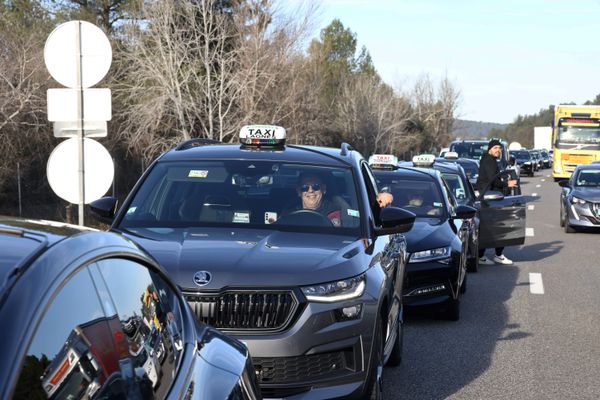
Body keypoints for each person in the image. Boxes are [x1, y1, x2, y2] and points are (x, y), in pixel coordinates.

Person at [475, 138, 518, 265]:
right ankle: (496, 255)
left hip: (488, 196)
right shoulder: (489, 161)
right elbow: (493, 180)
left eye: (499, 148)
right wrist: (507, 183)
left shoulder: (489, 160)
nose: (498, 150)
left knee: (489, 227)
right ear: (490, 149)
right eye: (495, 148)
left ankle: (482, 255)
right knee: (499, 226)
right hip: (489, 197)